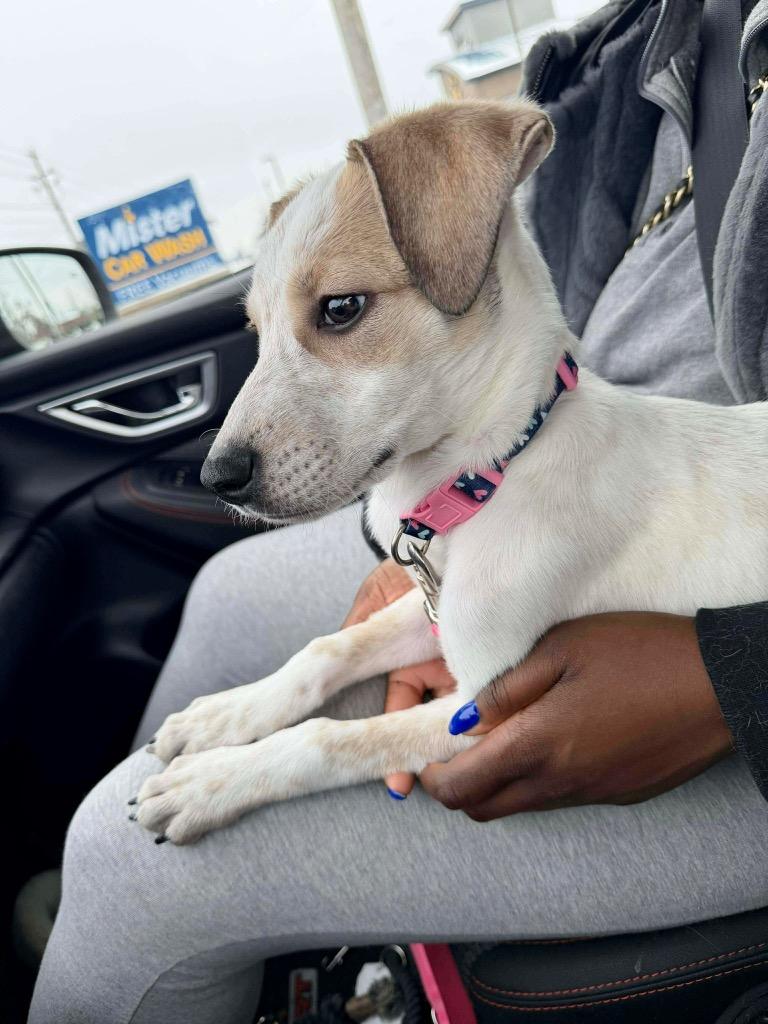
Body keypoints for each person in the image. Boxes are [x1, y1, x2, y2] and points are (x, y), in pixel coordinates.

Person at [29, 1, 768, 1021]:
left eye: (338, 313)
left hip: (725, 677)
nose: (243, 432)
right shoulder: (679, 32)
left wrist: (735, 669)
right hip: (562, 438)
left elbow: (476, 716)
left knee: (130, 857)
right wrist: (327, 653)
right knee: (222, 595)